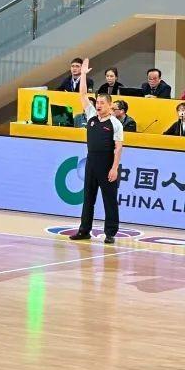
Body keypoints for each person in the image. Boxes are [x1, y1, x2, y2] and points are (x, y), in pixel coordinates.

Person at [70, 59, 123, 244]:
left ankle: (110, 233)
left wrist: (114, 168)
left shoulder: (115, 124)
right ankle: (84, 230)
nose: (98, 105)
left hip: (107, 165)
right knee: (88, 199)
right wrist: (83, 74)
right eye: (97, 102)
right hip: (91, 163)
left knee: (109, 200)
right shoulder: (92, 116)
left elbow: (118, 148)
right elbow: (83, 94)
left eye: (101, 103)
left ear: (109, 105)